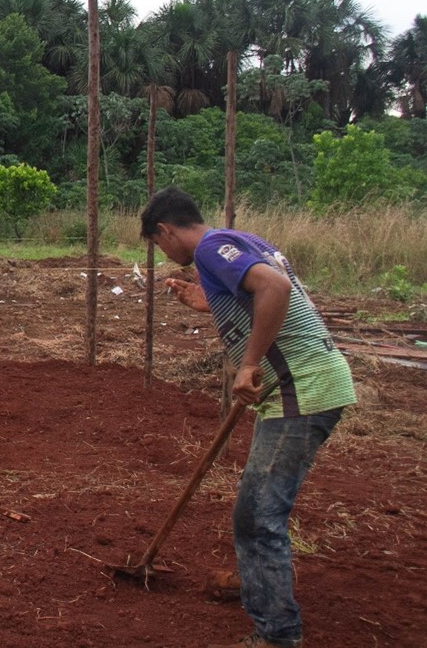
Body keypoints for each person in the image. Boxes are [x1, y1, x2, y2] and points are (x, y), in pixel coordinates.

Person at [140, 188, 356, 648]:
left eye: (160, 245)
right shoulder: (240, 240)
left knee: (257, 516)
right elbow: (265, 293)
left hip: (302, 388)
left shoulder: (210, 248)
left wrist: (249, 362)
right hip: (309, 383)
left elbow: (273, 289)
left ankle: (277, 635)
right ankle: (261, 584)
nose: (166, 252)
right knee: (258, 512)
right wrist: (209, 303)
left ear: (167, 230)